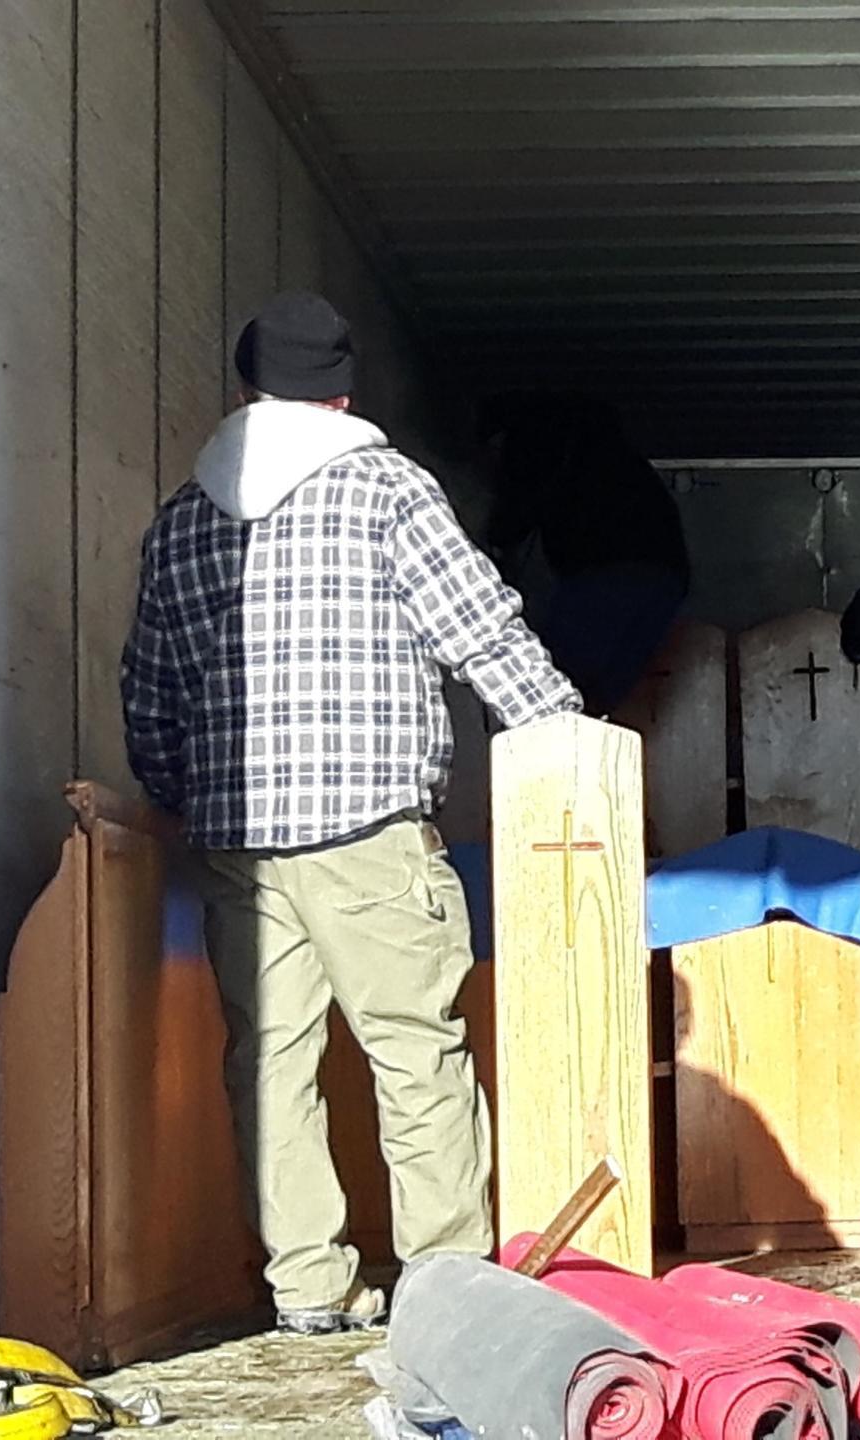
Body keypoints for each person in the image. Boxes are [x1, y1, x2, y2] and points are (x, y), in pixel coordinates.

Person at [121, 292, 582, 1335]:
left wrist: (178, 794)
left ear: (245, 389)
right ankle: (446, 1293)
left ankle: (308, 1287)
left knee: (270, 1064)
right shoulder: (387, 489)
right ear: (342, 395)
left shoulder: (182, 519)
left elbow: (150, 689)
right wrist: (562, 735)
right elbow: (479, 628)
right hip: (367, 826)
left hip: (237, 839)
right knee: (415, 1053)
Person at [480, 392, 691, 717]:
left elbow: (517, 511)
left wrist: (493, 544)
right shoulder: (612, 454)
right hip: (667, 574)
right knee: (596, 696)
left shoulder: (536, 442)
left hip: (606, 569)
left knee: (550, 686)